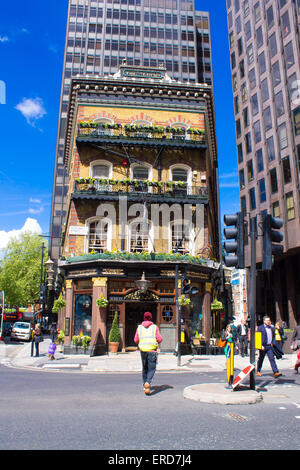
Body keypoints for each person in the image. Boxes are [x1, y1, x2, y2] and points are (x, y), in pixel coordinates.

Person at [134, 311, 162, 395]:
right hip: (152, 351)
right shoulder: (154, 327)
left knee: (145, 368)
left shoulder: (139, 328)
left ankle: (144, 384)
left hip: (143, 351)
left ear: (144, 318)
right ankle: (148, 382)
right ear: (151, 318)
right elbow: (160, 339)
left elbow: (135, 340)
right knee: (152, 368)